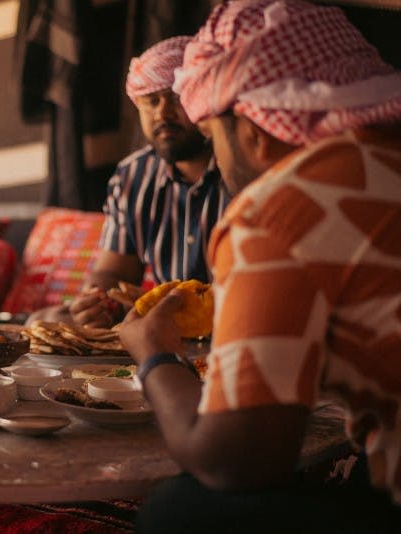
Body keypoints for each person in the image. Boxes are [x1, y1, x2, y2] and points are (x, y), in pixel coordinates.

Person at [118, 1, 401, 532]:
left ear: (253, 129)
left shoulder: (282, 205)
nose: (218, 158)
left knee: (177, 512)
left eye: (214, 134)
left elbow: (239, 460)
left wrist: (156, 358)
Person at [29, 36, 229, 329]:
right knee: (43, 321)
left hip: (235, 330)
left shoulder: (242, 167)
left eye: (176, 98)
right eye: (151, 101)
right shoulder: (133, 176)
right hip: (161, 335)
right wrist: (97, 302)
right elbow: (113, 272)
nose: (162, 113)